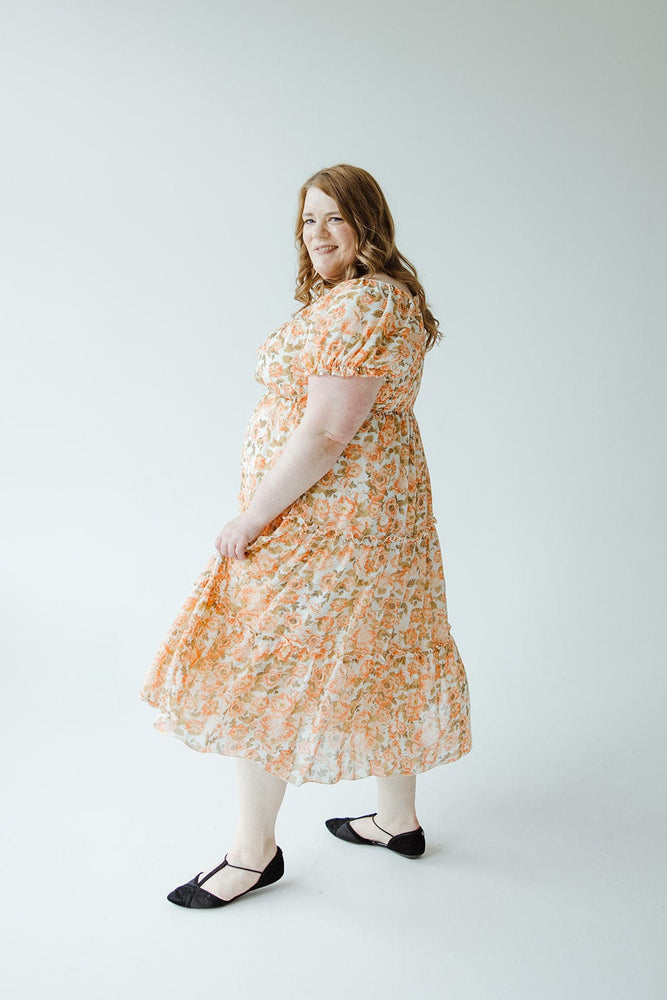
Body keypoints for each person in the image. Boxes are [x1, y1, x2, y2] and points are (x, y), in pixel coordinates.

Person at [139, 163, 472, 909]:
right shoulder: (370, 298)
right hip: (371, 519)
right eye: (307, 220)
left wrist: (254, 515)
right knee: (382, 647)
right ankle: (396, 820)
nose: (317, 234)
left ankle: (253, 855)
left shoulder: (362, 304)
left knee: (267, 667)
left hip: (327, 524)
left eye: (333, 218)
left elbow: (325, 430)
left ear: (367, 224)